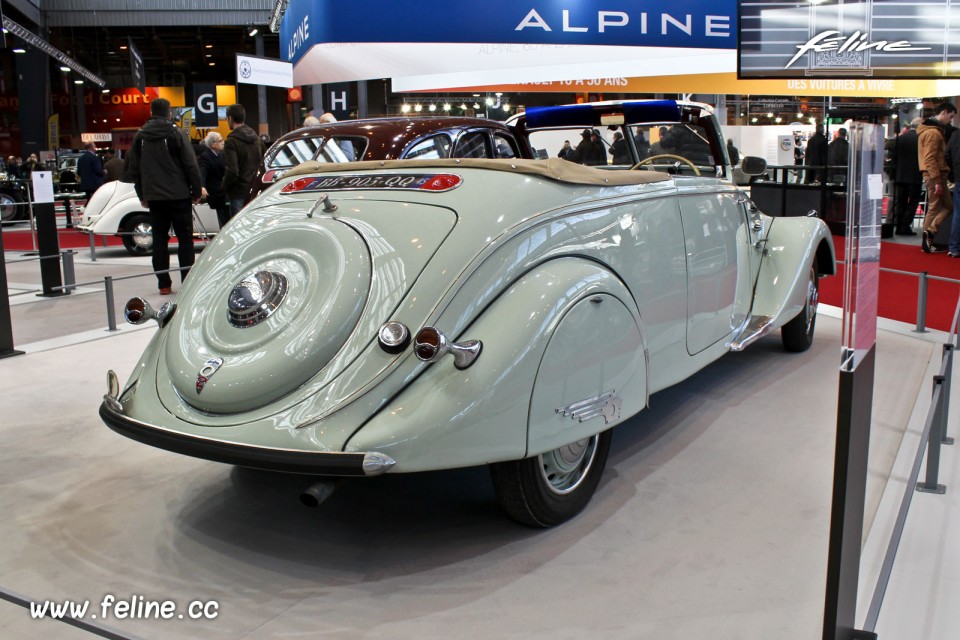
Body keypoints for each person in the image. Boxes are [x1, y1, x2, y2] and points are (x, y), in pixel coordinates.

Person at [125, 97, 202, 295]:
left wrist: (142, 194)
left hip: (155, 198)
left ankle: (164, 284)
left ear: (151, 113)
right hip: (179, 195)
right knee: (185, 239)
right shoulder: (176, 133)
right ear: (169, 114)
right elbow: (190, 164)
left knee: (159, 240)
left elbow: (134, 169)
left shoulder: (140, 137)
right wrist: (195, 190)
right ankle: (187, 282)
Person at [918, 102, 957, 253]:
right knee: (934, 207)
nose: (951, 120)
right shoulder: (933, 132)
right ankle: (927, 240)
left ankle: (930, 233)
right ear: (944, 112)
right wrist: (936, 181)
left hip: (936, 175)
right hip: (935, 176)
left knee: (946, 206)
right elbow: (929, 159)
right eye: (950, 116)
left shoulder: (932, 130)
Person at [222, 103, 264, 219]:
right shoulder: (257, 139)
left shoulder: (231, 142)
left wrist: (223, 188)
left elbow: (232, 171)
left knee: (237, 228)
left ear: (230, 118)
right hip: (255, 190)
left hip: (238, 192)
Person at [885, 118, 922, 235]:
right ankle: (905, 225)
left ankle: (899, 225)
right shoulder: (920, 140)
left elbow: (889, 149)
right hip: (915, 176)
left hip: (899, 175)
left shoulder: (900, 139)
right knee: (913, 201)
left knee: (900, 201)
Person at [199, 131, 229, 229]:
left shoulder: (222, 154)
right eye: (220, 140)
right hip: (216, 193)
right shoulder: (205, 157)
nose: (223, 142)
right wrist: (202, 187)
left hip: (225, 192)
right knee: (223, 222)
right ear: (213, 144)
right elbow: (202, 174)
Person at [945, 124, 960, 257]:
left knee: (958, 213)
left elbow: (947, 156)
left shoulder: (955, 135)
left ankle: (954, 247)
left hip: (959, 179)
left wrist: (953, 176)